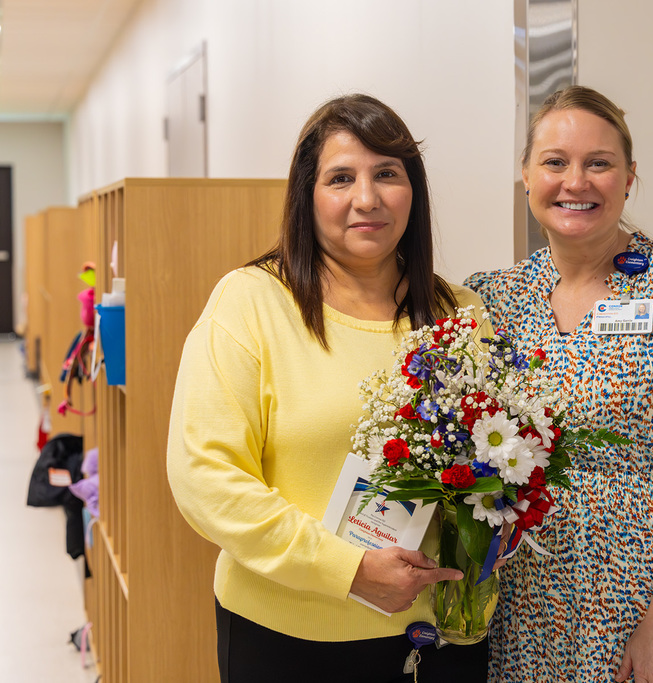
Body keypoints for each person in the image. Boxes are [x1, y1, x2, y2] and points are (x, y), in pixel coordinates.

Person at [167, 94, 489, 683]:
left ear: (412, 191)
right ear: (306, 197)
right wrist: (347, 568)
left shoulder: (459, 314)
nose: (366, 198)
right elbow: (204, 478)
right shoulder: (252, 303)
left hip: (437, 637)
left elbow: (492, 472)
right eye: (341, 178)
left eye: (386, 174)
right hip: (288, 639)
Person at [465, 86, 653, 683]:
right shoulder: (492, 299)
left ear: (629, 178)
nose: (576, 181)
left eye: (598, 163)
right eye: (555, 162)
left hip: (650, 600)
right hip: (532, 610)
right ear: (526, 175)